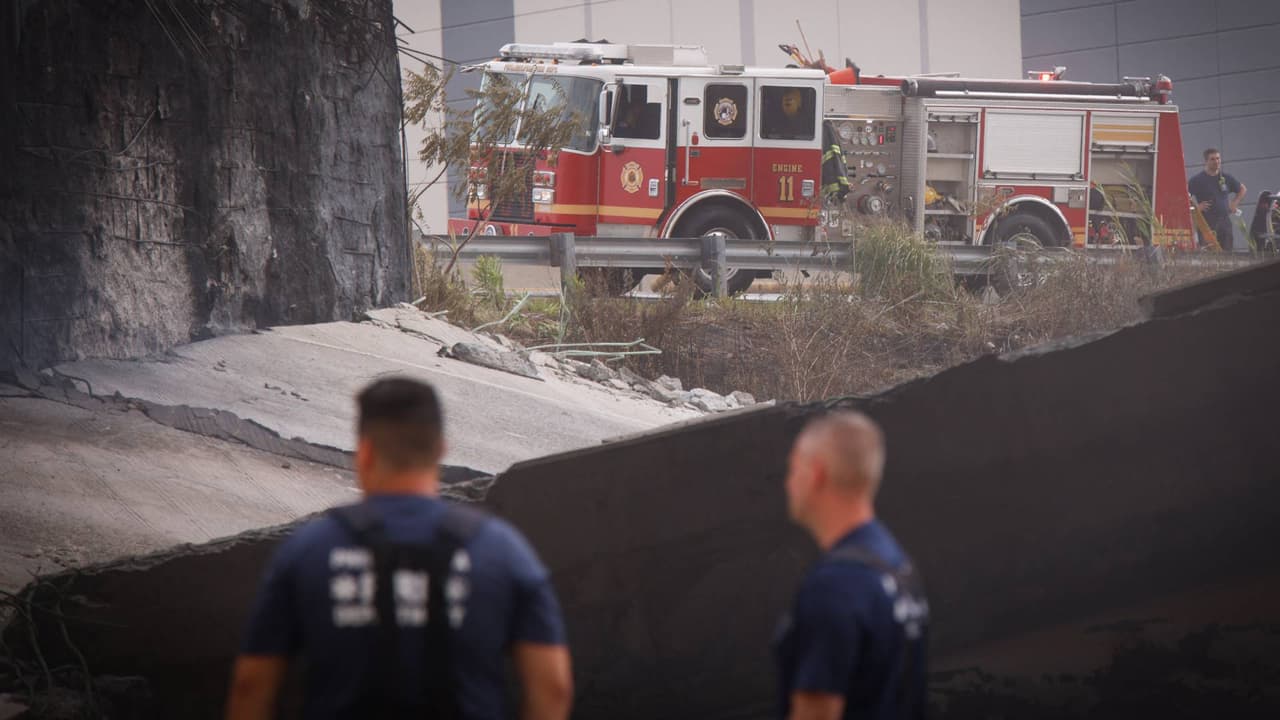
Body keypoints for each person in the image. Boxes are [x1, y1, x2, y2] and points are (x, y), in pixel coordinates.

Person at [225, 377, 573, 720]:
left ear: (364, 453)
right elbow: (553, 687)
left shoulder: (308, 549)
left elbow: (251, 686)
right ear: (440, 450)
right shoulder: (502, 550)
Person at [775, 411, 929, 720]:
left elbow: (816, 714)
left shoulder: (836, 585)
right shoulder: (896, 564)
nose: (788, 483)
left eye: (793, 470)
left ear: (816, 473)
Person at [1188, 148, 1247, 251]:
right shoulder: (1197, 180)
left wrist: (1234, 203)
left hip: (1225, 223)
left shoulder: (1226, 177)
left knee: (1228, 254)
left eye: (1218, 158)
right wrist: (1196, 208)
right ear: (1206, 161)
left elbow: (1242, 189)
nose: (1216, 161)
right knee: (1209, 254)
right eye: (1212, 159)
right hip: (1206, 224)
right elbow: (1183, 197)